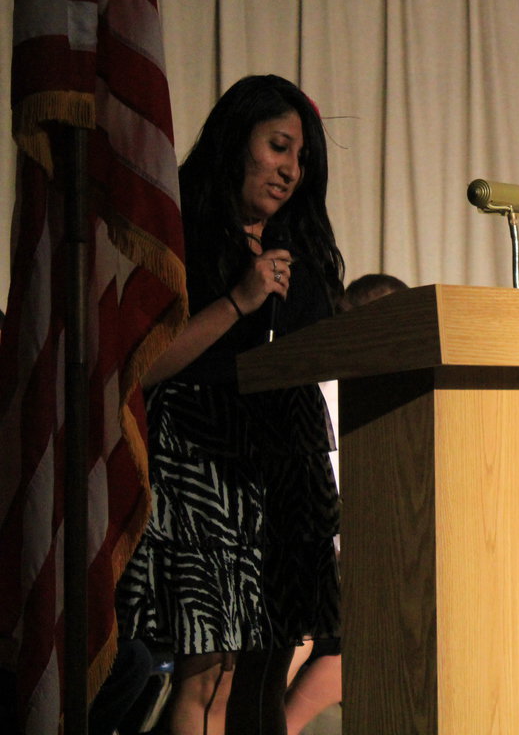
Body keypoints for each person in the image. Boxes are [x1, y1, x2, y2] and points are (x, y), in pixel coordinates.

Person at [116, 74, 344, 735]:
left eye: (301, 159)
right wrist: (239, 301)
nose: (291, 171)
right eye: (278, 148)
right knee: (210, 677)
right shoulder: (180, 232)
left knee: (268, 670)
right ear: (235, 139)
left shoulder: (301, 250)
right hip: (206, 464)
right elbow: (148, 362)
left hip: (288, 470)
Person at [283, 272, 407, 735]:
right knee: (332, 633)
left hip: (376, 545)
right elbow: (322, 485)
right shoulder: (325, 389)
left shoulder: (397, 387)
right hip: (322, 546)